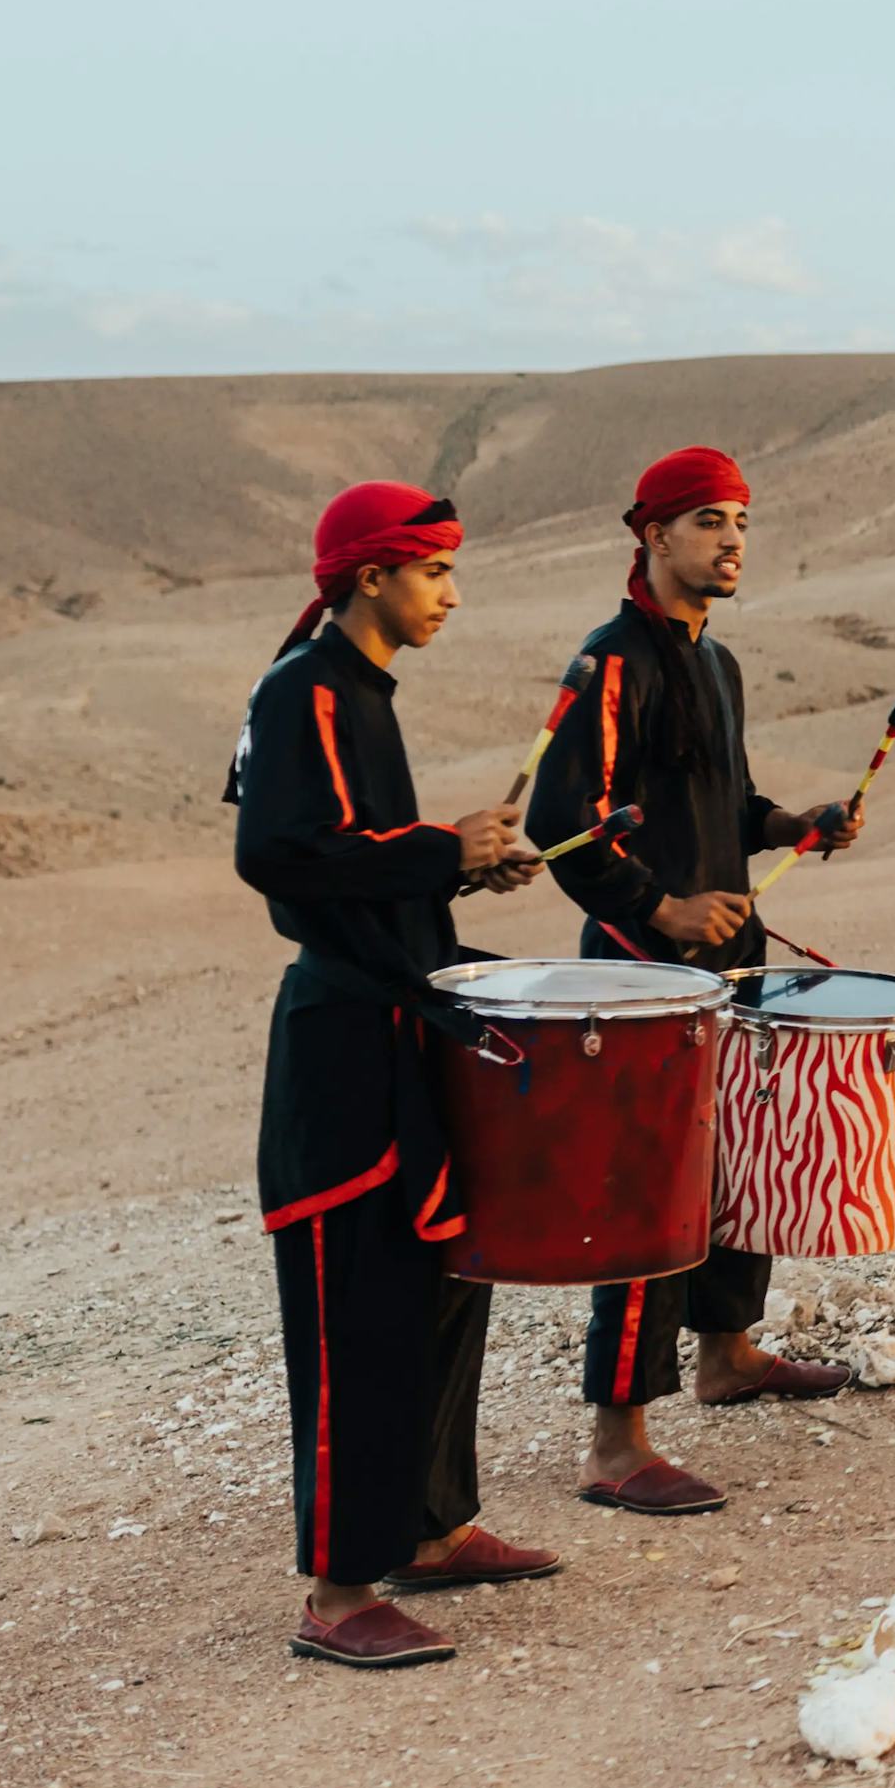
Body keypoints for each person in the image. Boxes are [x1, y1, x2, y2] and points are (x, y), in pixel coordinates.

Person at [228, 482, 556, 1667]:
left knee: (438, 1285)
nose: (451, 595)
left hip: (405, 1029)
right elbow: (274, 861)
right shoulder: (302, 689)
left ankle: (427, 1525)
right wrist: (433, 848)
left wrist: (456, 875)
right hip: (342, 1052)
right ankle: (337, 1587)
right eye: (435, 573)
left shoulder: (361, 694)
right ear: (371, 575)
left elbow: (352, 864)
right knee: (355, 1312)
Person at [527, 447, 862, 1515]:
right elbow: (557, 824)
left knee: (738, 1159)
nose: (731, 541)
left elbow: (735, 800)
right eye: (709, 521)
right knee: (648, 1195)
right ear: (653, 535)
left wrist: (793, 824)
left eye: (743, 523)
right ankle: (615, 1442)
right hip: (640, 976)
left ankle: (728, 1351)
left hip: (730, 958)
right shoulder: (609, 662)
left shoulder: (717, 664)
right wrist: (659, 906)